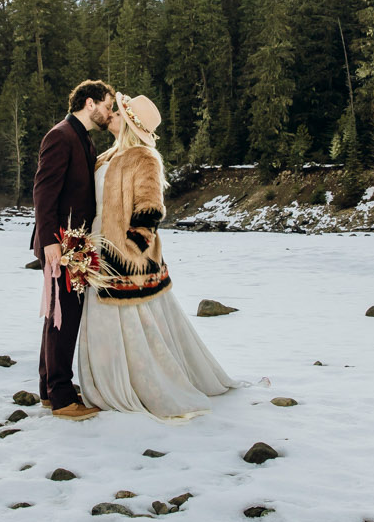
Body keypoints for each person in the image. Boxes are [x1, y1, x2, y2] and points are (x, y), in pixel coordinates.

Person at [76, 93, 237, 419]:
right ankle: (106, 383)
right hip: (98, 247)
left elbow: (150, 211)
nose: (111, 114)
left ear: (130, 123)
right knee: (101, 323)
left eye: (118, 112)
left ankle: (141, 385)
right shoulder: (106, 156)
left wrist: (127, 253)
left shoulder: (144, 158)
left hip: (126, 257)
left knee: (139, 327)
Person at [29, 79, 117, 420]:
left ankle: (49, 390)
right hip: (61, 243)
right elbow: (43, 191)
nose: (109, 113)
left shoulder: (84, 140)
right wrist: (51, 241)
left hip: (75, 243)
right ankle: (63, 399)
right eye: (107, 106)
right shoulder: (61, 135)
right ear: (90, 103)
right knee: (64, 319)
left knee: (58, 316)